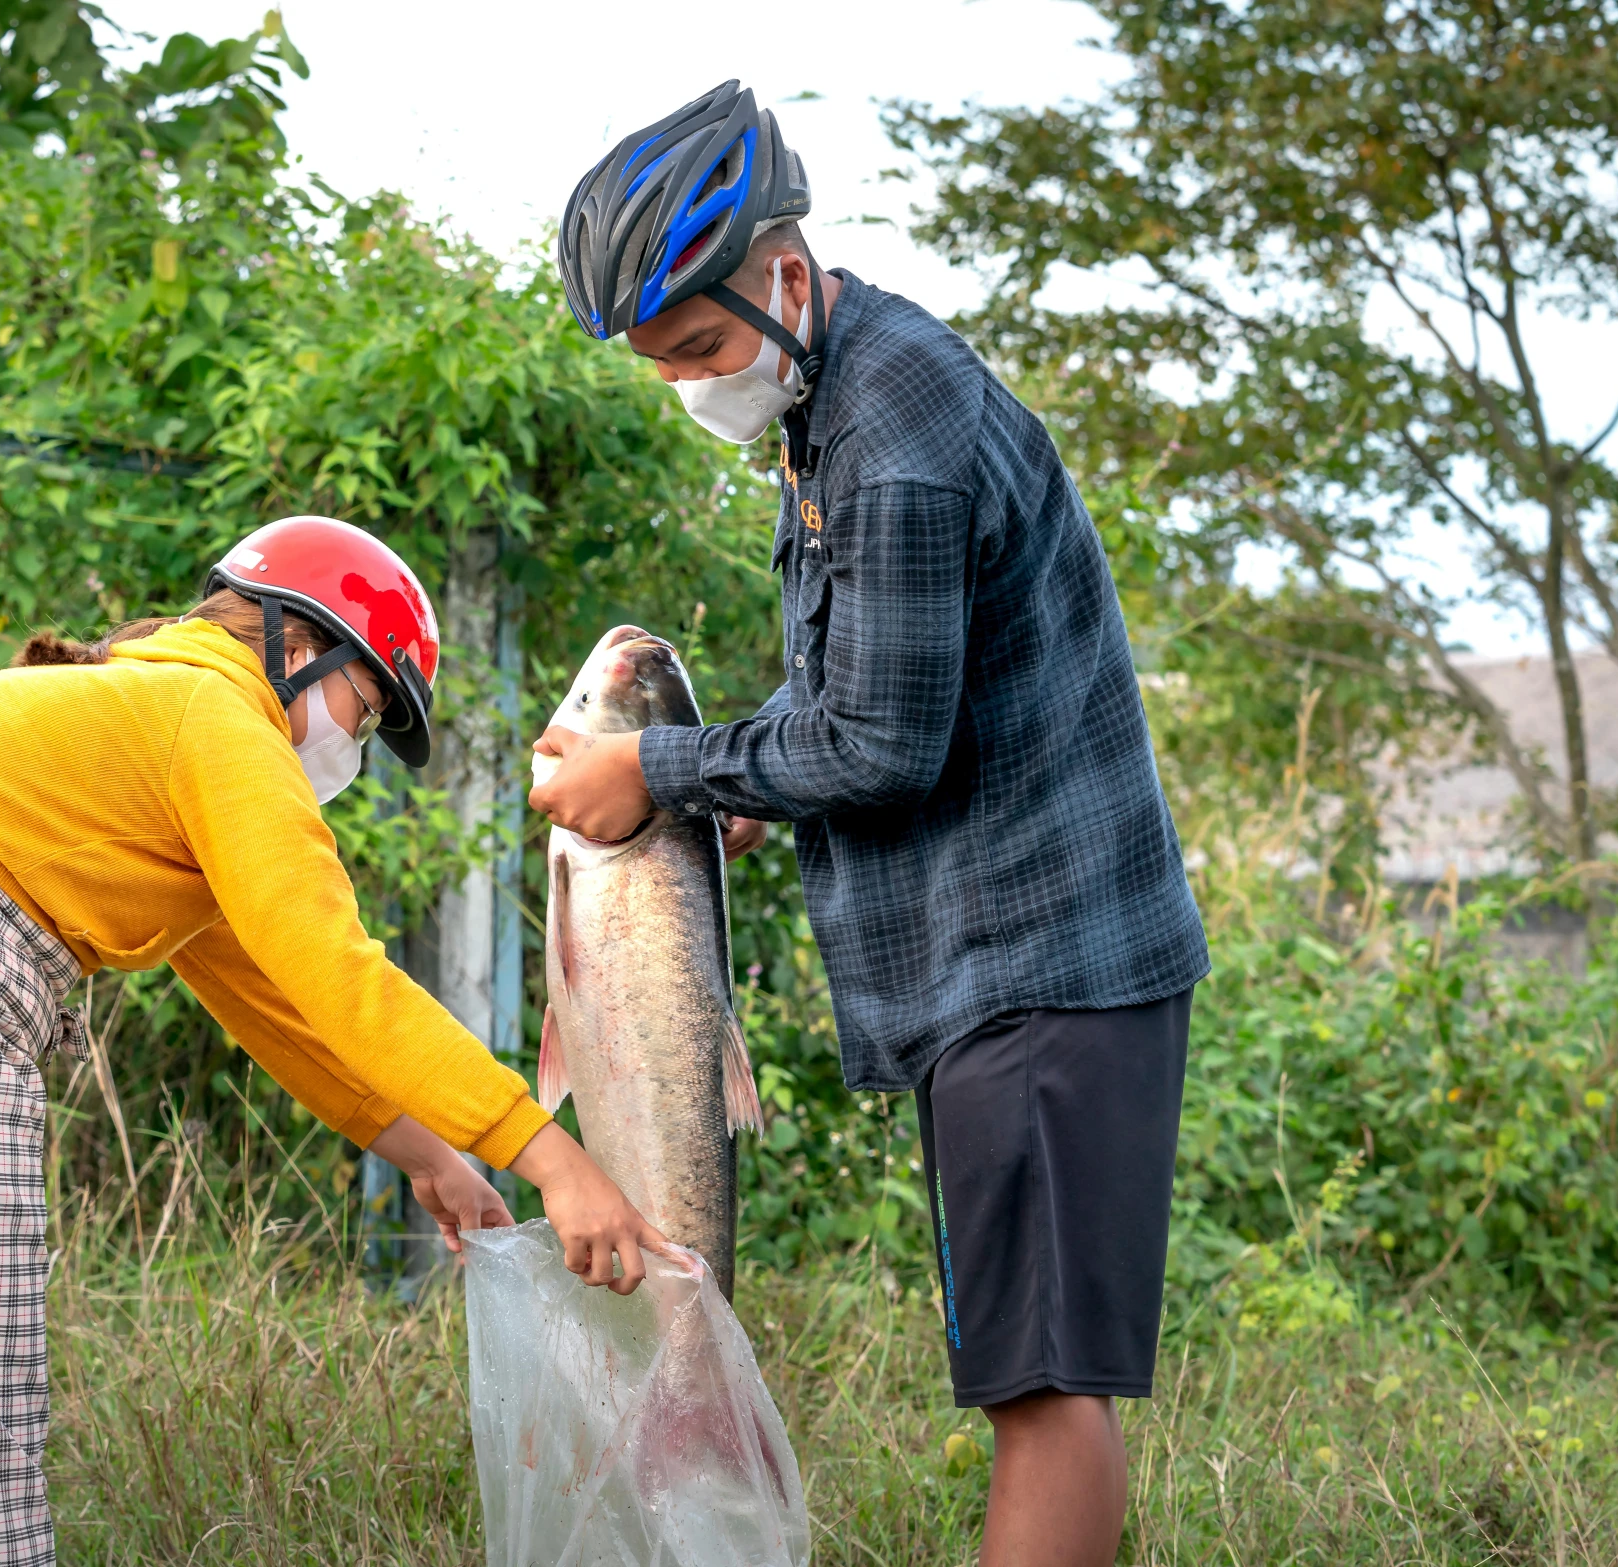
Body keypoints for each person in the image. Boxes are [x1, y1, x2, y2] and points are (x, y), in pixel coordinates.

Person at [0, 514, 661, 1567]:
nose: (352, 748)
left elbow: (273, 995)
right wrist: (547, 1155)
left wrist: (431, 1155)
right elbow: (337, 972)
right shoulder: (215, 713)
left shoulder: (156, 715)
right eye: (361, 708)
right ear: (294, 645)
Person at [533, 82, 1212, 1567]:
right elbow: (871, 699)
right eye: (663, 365)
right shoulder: (832, 397)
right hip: (996, 964)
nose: (692, 384)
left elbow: (882, 745)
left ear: (784, 275)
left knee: (1041, 1388)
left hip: (1044, 958)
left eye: (704, 348)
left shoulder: (893, 432)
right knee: (1024, 1367)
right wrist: (743, 785)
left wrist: (662, 768)